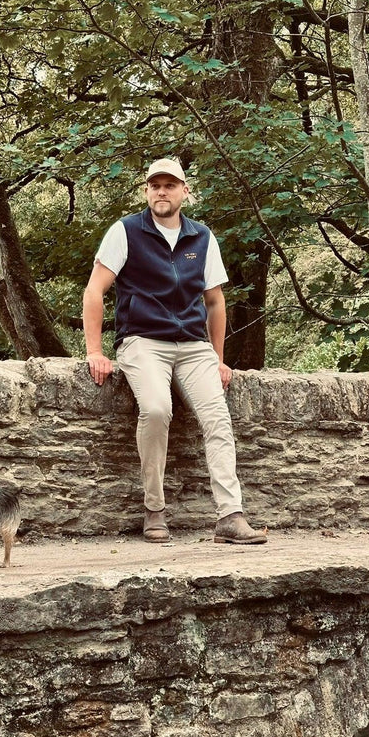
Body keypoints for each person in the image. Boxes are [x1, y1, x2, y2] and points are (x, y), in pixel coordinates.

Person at [82, 157, 267, 546]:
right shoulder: (125, 231)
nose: (162, 192)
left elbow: (215, 302)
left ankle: (230, 516)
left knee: (217, 418)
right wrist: (94, 350)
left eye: (169, 185)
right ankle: (154, 510)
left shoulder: (202, 237)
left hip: (193, 346)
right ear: (146, 192)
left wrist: (217, 359)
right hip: (142, 340)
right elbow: (95, 290)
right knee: (156, 409)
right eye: (155, 186)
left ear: (185, 191)